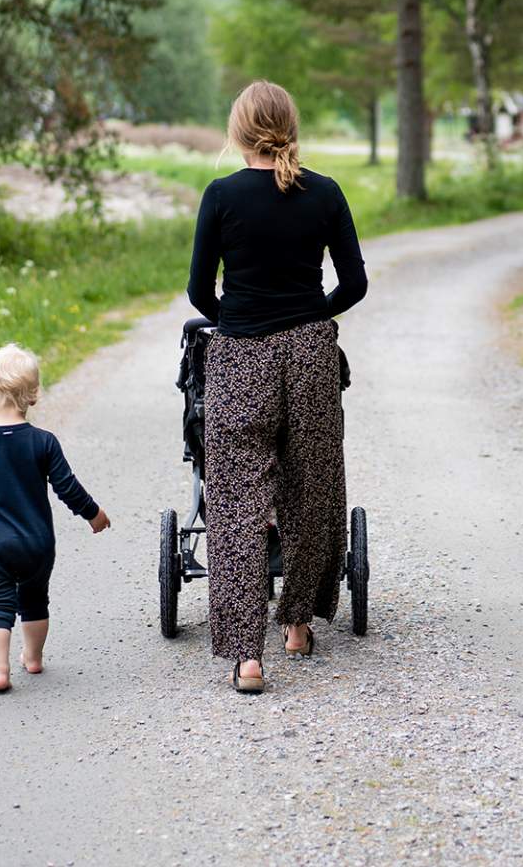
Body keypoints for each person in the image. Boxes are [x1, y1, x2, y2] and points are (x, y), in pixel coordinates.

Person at [187, 80, 368, 694]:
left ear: (239, 133)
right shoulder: (325, 193)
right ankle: (296, 623)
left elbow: (197, 293)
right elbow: (355, 284)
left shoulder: (221, 196)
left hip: (240, 356)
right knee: (310, 486)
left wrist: (236, 319)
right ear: (292, 127)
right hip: (311, 353)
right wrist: (314, 312)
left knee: (237, 503)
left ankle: (246, 657)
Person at [0, 343, 110, 693]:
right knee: (35, 598)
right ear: (32, 397)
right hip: (38, 543)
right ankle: (33, 658)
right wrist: (93, 514)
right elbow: (67, 486)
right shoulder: (44, 442)